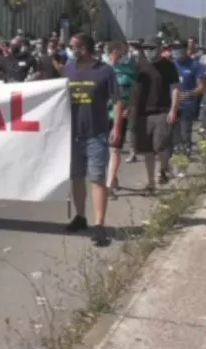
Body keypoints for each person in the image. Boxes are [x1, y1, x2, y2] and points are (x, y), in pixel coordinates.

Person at [63, 33, 122, 247]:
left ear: (85, 48)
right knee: (76, 177)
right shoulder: (68, 70)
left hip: (96, 134)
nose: (70, 50)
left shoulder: (105, 71)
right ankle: (80, 216)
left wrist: (116, 126)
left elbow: (117, 100)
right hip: (72, 135)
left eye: (73, 46)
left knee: (97, 178)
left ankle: (99, 225)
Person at [129, 38, 180, 191]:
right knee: (147, 150)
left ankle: (164, 168)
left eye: (152, 47)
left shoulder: (168, 66)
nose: (148, 51)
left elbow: (175, 88)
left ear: (159, 48)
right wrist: (131, 108)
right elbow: (133, 89)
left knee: (160, 145)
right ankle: (151, 182)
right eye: (146, 48)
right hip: (143, 113)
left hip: (162, 111)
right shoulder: (139, 66)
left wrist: (173, 109)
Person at [104, 41, 135, 199]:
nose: (116, 56)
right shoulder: (101, 70)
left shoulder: (128, 72)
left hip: (119, 115)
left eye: (120, 53)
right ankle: (113, 176)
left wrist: (130, 107)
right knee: (104, 151)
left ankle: (109, 185)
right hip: (101, 114)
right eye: (113, 52)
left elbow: (135, 92)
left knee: (114, 149)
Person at [173, 41, 206, 158]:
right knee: (172, 136)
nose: (176, 51)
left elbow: (201, 87)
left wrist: (190, 93)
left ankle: (185, 157)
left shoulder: (195, 65)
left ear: (185, 49)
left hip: (187, 105)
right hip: (171, 106)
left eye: (178, 48)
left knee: (185, 133)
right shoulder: (170, 65)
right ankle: (174, 158)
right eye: (174, 48)